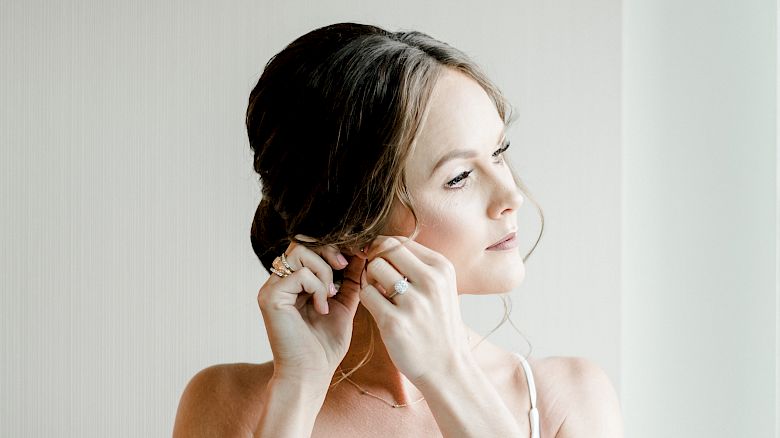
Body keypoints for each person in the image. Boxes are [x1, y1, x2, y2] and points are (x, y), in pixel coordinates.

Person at [173, 22, 623, 437]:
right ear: (353, 226)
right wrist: (298, 392)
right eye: (459, 177)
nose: (511, 196)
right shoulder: (228, 401)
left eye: (499, 153)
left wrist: (448, 373)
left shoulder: (567, 397)